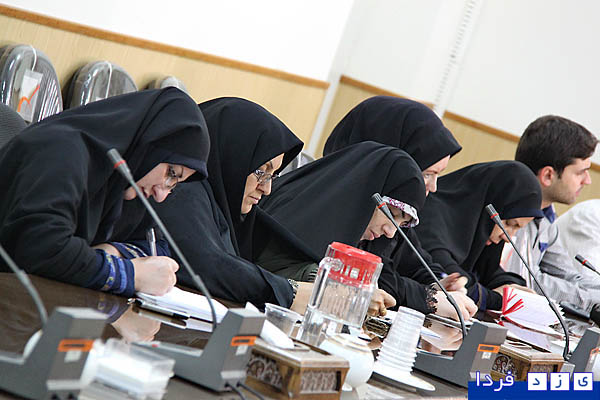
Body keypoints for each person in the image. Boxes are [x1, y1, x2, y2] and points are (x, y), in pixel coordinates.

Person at [0, 88, 210, 297]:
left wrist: (112, 252)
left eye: (174, 184)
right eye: (171, 173)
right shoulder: (60, 151)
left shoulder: (128, 178)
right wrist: (130, 274)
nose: (161, 195)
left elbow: (157, 249)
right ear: (150, 144)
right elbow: (43, 247)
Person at [260, 141, 476, 319]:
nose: (391, 232)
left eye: (401, 224)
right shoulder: (301, 208)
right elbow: (270, 273)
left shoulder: (357, 227)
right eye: (392, 213)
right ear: (364, 193)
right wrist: (348, 294)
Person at [153, 97, 311, 311]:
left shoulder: (221, 203)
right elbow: (208, 265)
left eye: (273, 175)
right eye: (261, 171)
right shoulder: (183, 190)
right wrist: (290, 292)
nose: (266, 189)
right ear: (233, 155)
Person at [322, 96, 472, 314]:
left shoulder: (394, 213)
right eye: (427, 174)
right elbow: (375, 281)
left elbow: (414, 259)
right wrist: (429, 299)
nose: (433, 187)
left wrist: (440, 283)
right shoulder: (334, 205)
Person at [415, 161, 544, 311]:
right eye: (509, 223)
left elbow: (489, 270)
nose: (508, 237)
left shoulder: (479, 226)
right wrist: (497, 299)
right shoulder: (432, 217)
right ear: (491, 203)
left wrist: (511, 287)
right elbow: (452, 279)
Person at [502, 116, 599, 312]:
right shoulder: (509, 215)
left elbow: (567, 275)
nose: (587, 181)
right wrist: (591, 299)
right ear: (548, 175)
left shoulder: (546, 216)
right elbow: (526, 282)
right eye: (580, 172)